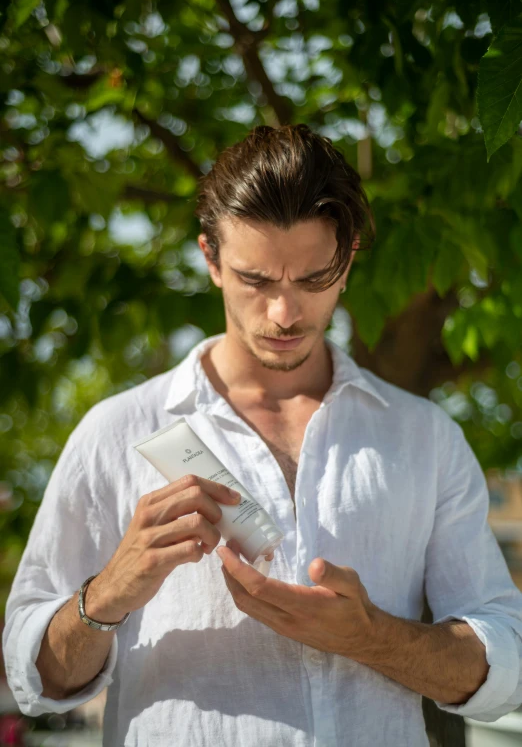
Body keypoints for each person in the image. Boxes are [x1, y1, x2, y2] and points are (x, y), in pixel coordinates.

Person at [3, 124, 522, 746]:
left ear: (349, 259)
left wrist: (370, 637)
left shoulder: (424, 438)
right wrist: (110, 592)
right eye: (256, 281)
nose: (284, 313)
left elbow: (507, 666)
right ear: (210, 259)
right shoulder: (116, 433)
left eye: (311, 280)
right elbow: (34, 678)